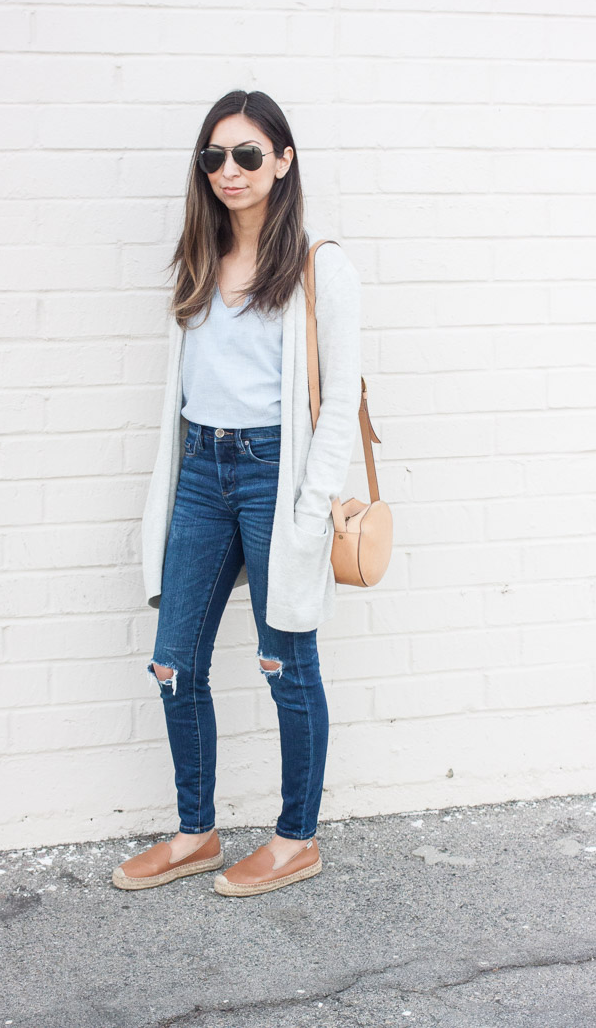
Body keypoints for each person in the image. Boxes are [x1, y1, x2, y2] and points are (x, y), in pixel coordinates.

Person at [112, 90, 362, 897]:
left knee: (286, 659)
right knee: (172, 662)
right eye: (215, 156)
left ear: (283, 161)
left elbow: (335, 405)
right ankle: (197, 830)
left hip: (271, 474)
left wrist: (306, 509)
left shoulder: (321, 266)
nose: (230, 170)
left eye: (248, 154)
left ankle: (297, 838)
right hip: (200, 473)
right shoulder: (199, 257)